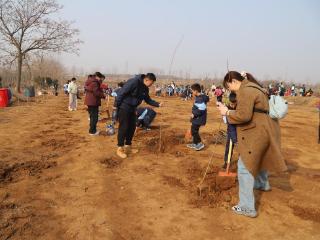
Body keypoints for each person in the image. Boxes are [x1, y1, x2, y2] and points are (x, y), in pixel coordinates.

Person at [217, 71, 287, 218]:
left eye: (229, 86)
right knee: (259, 158)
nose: (230, 90)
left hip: (257, 133)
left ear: (233, 81)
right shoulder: (255, 87)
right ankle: (262, 183)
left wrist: (227, 112)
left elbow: (244, 115)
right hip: (265, 130)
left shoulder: (246, 91)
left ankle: (247, 207)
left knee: (245, 166)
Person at [114, 73, 162, 159]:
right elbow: (122, 92)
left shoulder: (145, 88)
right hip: (124, 107)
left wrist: (158, 104)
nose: (152, 85)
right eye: (151, 83)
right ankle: (120, 148)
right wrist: (116, 105)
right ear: (147, 80)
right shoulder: (134, 82)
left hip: (133, 109)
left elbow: (147, 99)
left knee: (132, 127)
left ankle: (128, 147)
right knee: (124, 127)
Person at [187, 83, 209, 151]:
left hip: (198, 118)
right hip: (197, 118)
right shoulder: (199, 98)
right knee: (193, 129)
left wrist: (194, 114)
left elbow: (202, 109)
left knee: (194, 131)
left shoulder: (200, 99)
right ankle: (195, 143)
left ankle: (199, 143)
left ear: (196, 91)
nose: (192, 92)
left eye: (192, 91)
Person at [222, 92, 237, 169]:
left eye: (234, 104)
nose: (233, 105)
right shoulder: (227, 108)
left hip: (240, 131)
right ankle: (226, 162)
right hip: (230, 130)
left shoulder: (240, 108)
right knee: (228, 147)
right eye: (231, 104)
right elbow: (225, 121)